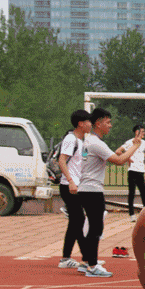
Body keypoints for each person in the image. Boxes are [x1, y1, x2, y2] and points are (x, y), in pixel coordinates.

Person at [77, 108, 142, 277]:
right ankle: (92, 266)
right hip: (92, 190)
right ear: (98, 124)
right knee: (96, 228)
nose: (110, 126)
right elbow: (118, 160)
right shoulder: (95, 143)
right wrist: (135, 146)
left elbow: (114, 157)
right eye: (108, 122)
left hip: (87, 188)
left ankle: (87, 261)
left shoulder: (89, 141)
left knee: (93, 227)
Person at [57, 109, 92, 269]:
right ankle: (87, 258)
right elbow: (61, 160)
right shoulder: (71, 139)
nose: (90, 124)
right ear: (80, 124)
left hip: (78, 186)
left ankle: (67, 258)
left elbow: (82, 163)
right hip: (68, 186)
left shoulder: (82, 141)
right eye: (88, 121)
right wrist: (71, 181)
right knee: (79, 220)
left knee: (75, 222)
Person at [116, 125, 145, 223]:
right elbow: (118, 151)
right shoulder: (129, 142)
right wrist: (127, 158)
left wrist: (143, 156)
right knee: (132, 192)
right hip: (132, 170)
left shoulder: (144, 142)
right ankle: (131, 214)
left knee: (143, 192)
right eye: (142, 131)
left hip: (141, 170)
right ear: (137, 132)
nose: (144, 133)